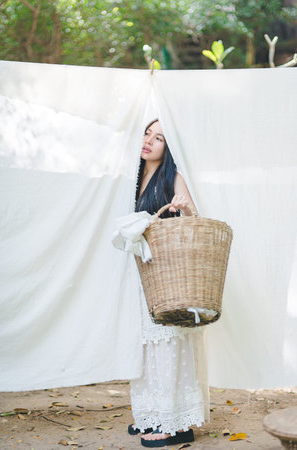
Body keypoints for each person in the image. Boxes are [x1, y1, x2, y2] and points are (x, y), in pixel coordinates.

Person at [128, 119, 209, 447]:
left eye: (158, 137)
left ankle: (177, 423)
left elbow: (196, 224)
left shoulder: (171, 176)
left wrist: (186, 207)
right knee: (147, 349)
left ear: (169, 146)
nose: (149, 140)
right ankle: (152, 412)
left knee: (170, 343)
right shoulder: (133, 177)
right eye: (148, 133)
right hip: (143, 277)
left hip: (169, 277)